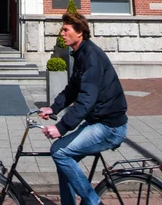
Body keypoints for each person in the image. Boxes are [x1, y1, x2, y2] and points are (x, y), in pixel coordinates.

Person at [39, 12, 128, 205]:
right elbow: (72, 89)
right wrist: (53, 109)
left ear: (79, 33)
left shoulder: (91, 57)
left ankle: (93, 202)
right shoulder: (81, 54)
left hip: (109, 126)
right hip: (97, 121)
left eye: (65, 30)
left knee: (59, 151)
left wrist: (61, 127)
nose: (61, 33)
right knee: (64, 165)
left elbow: (87, 98)